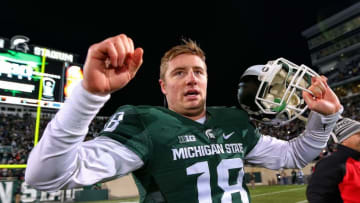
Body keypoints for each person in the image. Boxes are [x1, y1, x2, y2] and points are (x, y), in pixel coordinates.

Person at [25, 34, 343, 203]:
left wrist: (324, 118)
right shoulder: (145, 123)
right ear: (163, 86)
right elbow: (44, 176)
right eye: (179, 73)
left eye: (198, 72)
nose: (191, 79)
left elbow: (295, 154)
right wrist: (88, 95)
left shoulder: (233, 121)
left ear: (206, 80)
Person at [307, 117, 360, 203]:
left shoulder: (356, 160)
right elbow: (317, 196)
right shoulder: (331, 163)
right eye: (359, 134)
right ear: (345, 139)